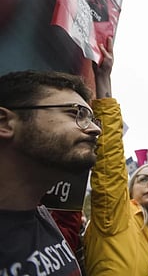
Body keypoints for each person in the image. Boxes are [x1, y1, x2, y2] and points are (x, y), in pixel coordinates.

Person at [0, 69, 100, 274]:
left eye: (90, 118)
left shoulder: (45, 219)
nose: (95, 130)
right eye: (75, 113)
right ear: (5, 123)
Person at [83, 37, 148, 275]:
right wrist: (104, 81)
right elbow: (110, 167)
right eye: (144, 178)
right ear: (129, 188)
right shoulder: (118, 215)